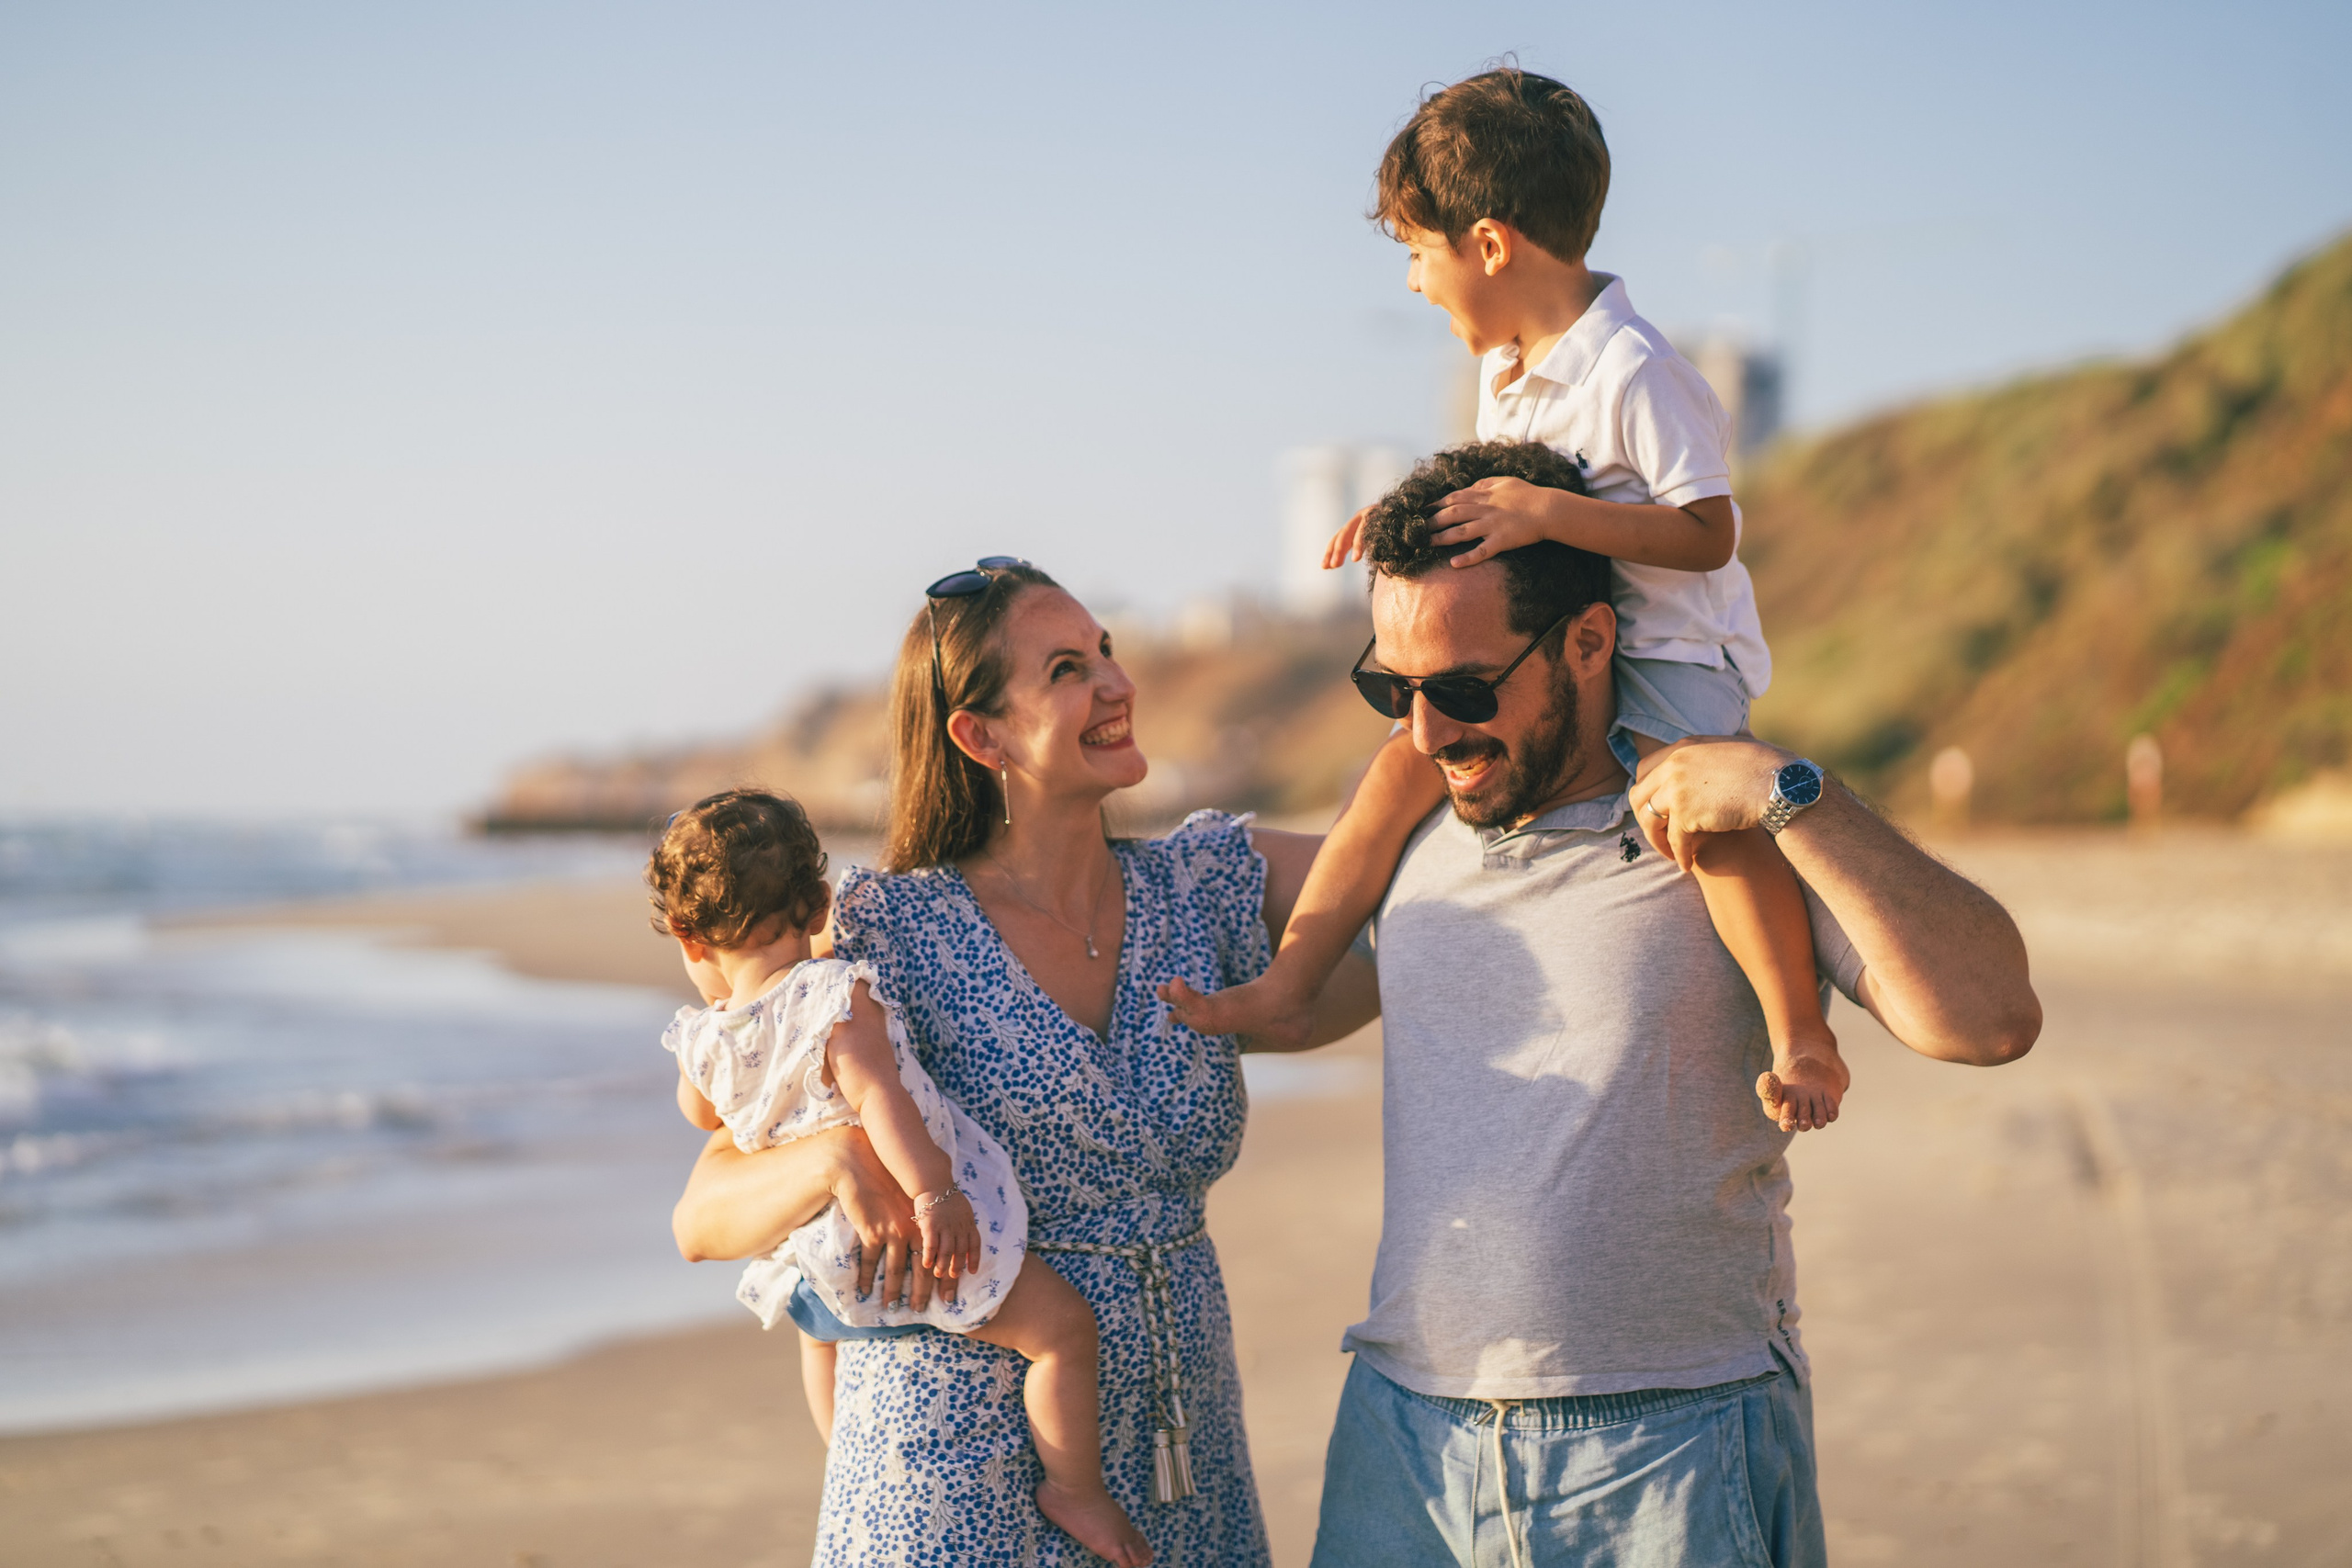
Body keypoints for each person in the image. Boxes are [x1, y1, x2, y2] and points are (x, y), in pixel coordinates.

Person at [1238, 446, 2040, 1567]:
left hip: (1668, 1450)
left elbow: (1988, 1018)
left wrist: (1784, 791)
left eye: (1464, 690)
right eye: (1393, 691)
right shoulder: (1417, 831)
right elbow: (1294, 1004)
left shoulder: (1718, 835)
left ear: (1587, 641)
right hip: (1404, 1449)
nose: (1426, 735)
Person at [1166, 69, 1848, 1135]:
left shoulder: (1636, 371)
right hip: (1555, 643)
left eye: (1415, 252)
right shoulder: (1506, 366)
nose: (1410, 283)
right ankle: (1292, 980)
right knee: (1388, 777)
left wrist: (1551, 514)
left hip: (1668, 656)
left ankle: (1799, 1031)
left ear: (1487, 245)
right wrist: (1404, 514)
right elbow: (1487, 485)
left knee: (1705, 822)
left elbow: (1706, 533)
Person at [667, 560, 1321, 1567]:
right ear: (981, 736)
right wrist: (837, 1161)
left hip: (1183, 1458)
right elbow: (703, 1211)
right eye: (1067, 669)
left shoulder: (1196, 886)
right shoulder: (883, 930)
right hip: (952, 1479)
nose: (1116, 683)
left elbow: (1417, 884)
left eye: (1106, 651)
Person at [647, 789, 1151, 1567]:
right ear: (820, 903)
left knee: (825, 1343)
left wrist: (731, 1030)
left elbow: (702, 1114)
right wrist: (935, 1193)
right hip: (898, 1236)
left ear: (687, 936)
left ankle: (848, 1462)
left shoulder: (702, 1039)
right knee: (1060, 1332)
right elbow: (879, 1098)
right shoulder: (832, 996)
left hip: (812, 1259)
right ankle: (1075, 1489)